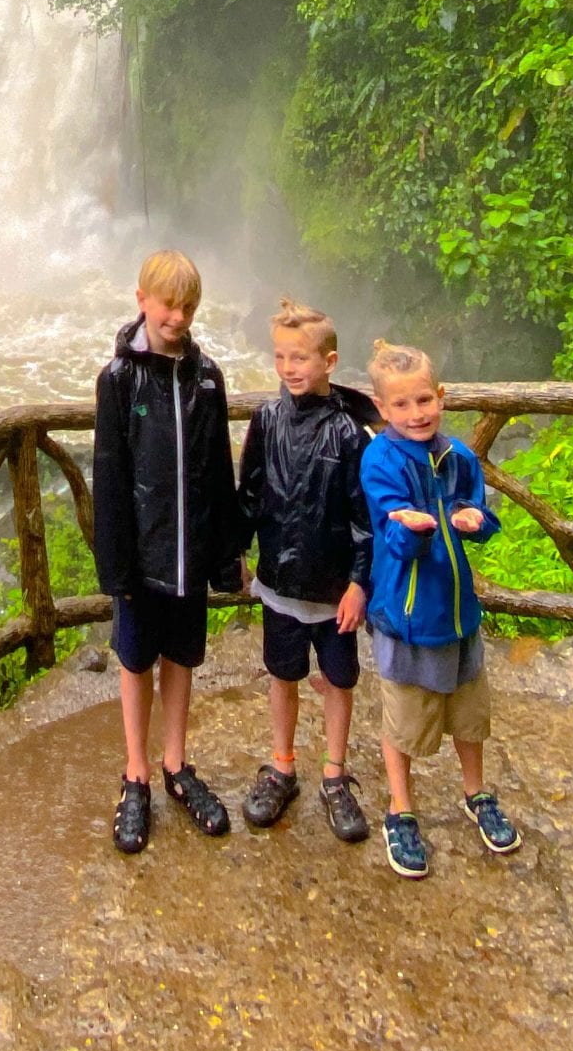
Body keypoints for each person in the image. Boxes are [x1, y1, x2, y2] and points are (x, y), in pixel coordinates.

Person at [91, 249, 239, 854]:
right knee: (135, 663)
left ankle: (176, 763)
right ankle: (136, 773)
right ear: (142, 301)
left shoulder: (207, 378)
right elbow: (109, 476)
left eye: (188, 308)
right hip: (142, 556)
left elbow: (219, 470)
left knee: (181, 658)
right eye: (168, 306)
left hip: (190, 554)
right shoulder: (119, 380)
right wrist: (115, 566)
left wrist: (226, 552)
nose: (177, 317)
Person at [361, 338, 522, 879]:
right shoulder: (380, 460)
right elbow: (391, 533)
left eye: (424, 400)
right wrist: (412, 529)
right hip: (406, 615)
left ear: (441, 396)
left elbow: (478, 510)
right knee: (404, 717)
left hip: (458, 612)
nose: (416, 413)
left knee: (470, 712)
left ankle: (476, 794)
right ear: (381, 407)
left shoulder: (459, 457)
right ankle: (400, 808)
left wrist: (477, 521)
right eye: (402, 404)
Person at [231, 300, 374, 843]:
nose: (289, 368)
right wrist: (237, 552)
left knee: (339, 680)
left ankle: (335, 774)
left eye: (300, 358)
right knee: (282, 675)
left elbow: (364, 517)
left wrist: (359, 583)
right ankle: (282, 766)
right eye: (280, 357)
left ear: (329, 362)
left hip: (334, 589)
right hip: (279, 582)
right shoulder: (267, 420)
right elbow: (250, 493)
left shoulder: (349, 433)